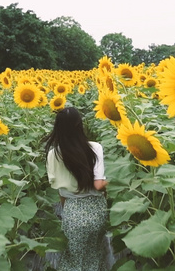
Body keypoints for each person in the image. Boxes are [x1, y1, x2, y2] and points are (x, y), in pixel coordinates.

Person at [44, 107, 109, 271]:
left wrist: (68, 212)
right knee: (95, 256)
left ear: (57, 129)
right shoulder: (95, 148)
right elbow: (98, 185)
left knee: (73, 261)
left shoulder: (54, 154)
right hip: (97, 210)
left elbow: (60, 191)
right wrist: (112, 182)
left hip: (72, 211)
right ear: (80, 125)